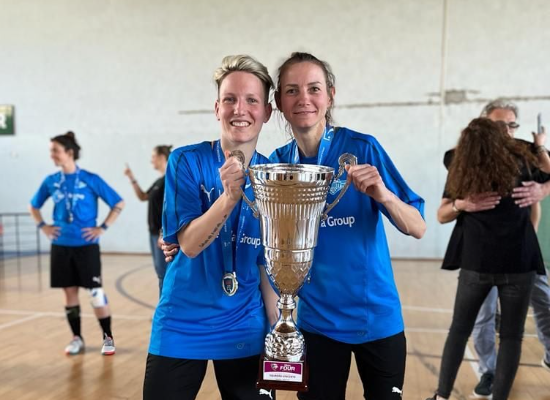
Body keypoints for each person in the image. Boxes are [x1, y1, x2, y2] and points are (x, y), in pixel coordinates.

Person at [270, 52, 426, 400]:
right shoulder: (278, 165)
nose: (304, 99)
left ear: (330, 96)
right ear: (279, 102)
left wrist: (383, 195)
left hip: (376, 321)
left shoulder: (362, 148)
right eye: (292, 90)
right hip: (315, 325)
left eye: (314, 88)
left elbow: (417, 227)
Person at [143, 55, 279, 400]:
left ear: (267, 111)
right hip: (181, 322)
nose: (240, 109)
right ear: (217, 108)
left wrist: (278, 327)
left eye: (251, 100)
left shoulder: (272, 176)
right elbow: (188, 244)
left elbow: (266, 264)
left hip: (245, 324)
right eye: (230, 99)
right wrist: (229, 197)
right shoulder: (186, 160)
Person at [427, 118, 550, 400]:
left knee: (459, 330)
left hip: (477, 263)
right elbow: (547, 170)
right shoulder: (522, 165)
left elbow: (442, 213)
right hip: (519, 263)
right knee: (511, 337)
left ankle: (442, 395)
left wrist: (462, 204)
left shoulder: (462, 171)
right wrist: (540, 146)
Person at [29, 131, 124, 356]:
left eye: (55, 150)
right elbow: (33, 205)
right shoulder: (51, 181)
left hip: (86, 245)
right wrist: (43, 226)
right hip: (61, 245)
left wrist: (103, 227)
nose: (52, 155)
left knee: (95, 292)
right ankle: (76, 338)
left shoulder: (90, 179)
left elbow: (118, 202)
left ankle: (107, 337)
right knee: (69, 293)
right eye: (51, 151)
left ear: (69, 152)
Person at [124, 145, 171, 295]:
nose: (151, 160)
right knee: (160, 272)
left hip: (162, 235)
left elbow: (170, 208)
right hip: (153, 233)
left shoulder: (169, 181)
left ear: (162, 157)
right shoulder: (159, 182)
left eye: (153, 157)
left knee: (164, 273)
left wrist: (163, 231)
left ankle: (166, 308)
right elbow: (143, 196)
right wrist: (132, 178)